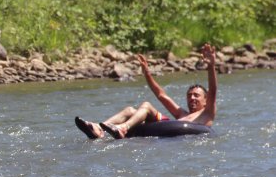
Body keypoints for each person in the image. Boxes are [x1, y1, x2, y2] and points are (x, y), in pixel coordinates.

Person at [75, 43, 217, 139]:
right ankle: (98, 129)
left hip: (178, 129)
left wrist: (211, 67)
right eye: (189, 95)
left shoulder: (207, 113)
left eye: (196, 95)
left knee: (147, 105)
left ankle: (123, 128)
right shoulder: (182, 114)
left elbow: (213, 90)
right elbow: (161, 95)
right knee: (130, 110)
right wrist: (147, 74)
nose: (192, 98)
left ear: (205, 100)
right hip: (165, 126)